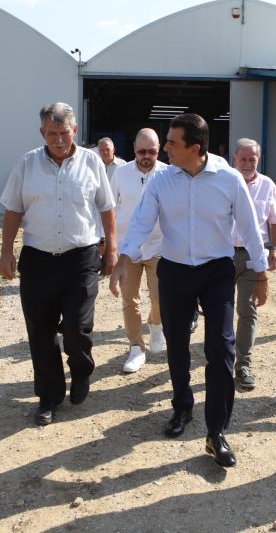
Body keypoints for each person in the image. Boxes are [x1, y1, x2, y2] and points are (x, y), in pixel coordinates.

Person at [109, 114, 268, 468]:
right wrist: (124, 258)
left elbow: (250, 227)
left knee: (221, 349)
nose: (165, 148)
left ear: (194, 148)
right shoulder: (162, 181)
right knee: (177, 345)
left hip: (216, 272)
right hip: (176, 270)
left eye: (172, 143)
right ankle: (182, 407)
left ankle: (216, 432)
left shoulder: (228, 179)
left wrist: (261, 274)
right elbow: (141, 222)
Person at [0, 103, 116, 426]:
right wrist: (6, 251)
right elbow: (13, 209)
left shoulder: (92, 162)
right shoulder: (27, 164)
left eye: (65, 132)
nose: (59, 139)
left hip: (80, 259)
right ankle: (49, 396)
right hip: (38, 260)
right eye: (52, 133)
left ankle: (81, 370)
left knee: (77, 328)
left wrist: (112, 249)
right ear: (42, 133)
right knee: (41, 333)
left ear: (74, 131)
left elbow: (106, 208)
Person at [111, 128, 168, 373]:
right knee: (129, 299)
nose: (146, 156)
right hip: (127, 249)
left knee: (159, 297)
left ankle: (156, 324)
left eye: (151, 152)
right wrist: (108, 244)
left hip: (159, 247)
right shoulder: (121, 173)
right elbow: (110, 208)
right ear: (134, 149)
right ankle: (136, 347)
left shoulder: (168, 173)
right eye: (141, 151)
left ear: (159, 150)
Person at [230, 138, 276, 391]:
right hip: (223, 255)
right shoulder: (224, 182)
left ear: (258, 159)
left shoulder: (268, 185)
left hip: (254, 256)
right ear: (234, 159)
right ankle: (220, 360)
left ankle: (243, 365)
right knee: (221, 310)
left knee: (248, 311)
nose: (248, 163)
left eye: (252, 159)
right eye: (243, 159)